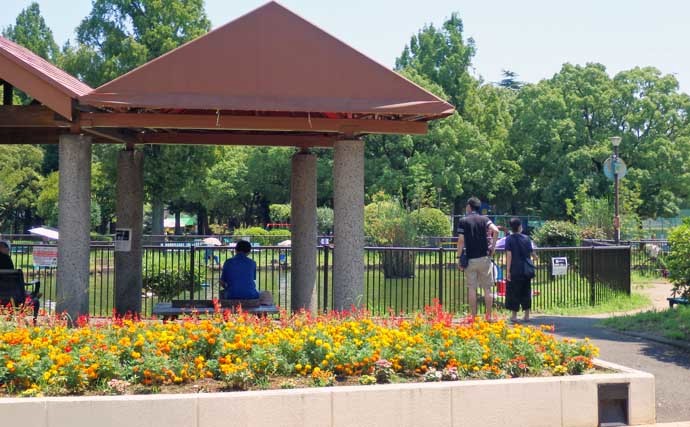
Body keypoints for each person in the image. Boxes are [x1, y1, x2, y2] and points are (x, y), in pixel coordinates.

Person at [456, 197, 499, 320]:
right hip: (485, 258)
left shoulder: (463, 221)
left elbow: (461, 241)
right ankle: (488, 316)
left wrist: (459, 257)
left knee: (472, 288)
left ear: (469, 206)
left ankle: (474, 317)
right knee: (487, 288)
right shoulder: (485, 219)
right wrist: (493, 247)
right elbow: (495, 230)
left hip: (470, 259)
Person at [219, 240, 272, 304]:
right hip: (251, 295)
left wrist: (228, 287)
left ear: (235, 250)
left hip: (231, 295)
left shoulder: (228, 262)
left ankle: (224, 311)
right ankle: (262, 311)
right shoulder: (252, 263)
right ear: (249, 252)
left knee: (223, 292)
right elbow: (252, 279)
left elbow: (222, 282)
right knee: (267, 293)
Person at [504, 217, 534, 323]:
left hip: (515, 269)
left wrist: (507, 271)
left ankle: (514, 316)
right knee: (526, 290)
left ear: (511, 228)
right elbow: (532, 253)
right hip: (526, 269)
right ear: (520, 226)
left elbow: (509, 255)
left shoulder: (509, 239)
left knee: (514, 292)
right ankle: (526, 315)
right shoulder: (527, 238)